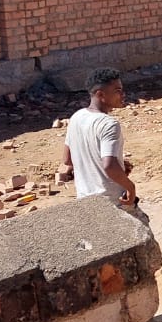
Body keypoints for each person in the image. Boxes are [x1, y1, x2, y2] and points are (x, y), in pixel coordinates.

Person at [61, 67, 143, 216]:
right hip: (113, 203)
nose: (122, 95)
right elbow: (109, 166)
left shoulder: (76, 117)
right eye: (117, 90)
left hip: (85, 201)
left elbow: (67, 159)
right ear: (100, 94)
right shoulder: (109, 124)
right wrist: (130, 188)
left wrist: (118, 165)